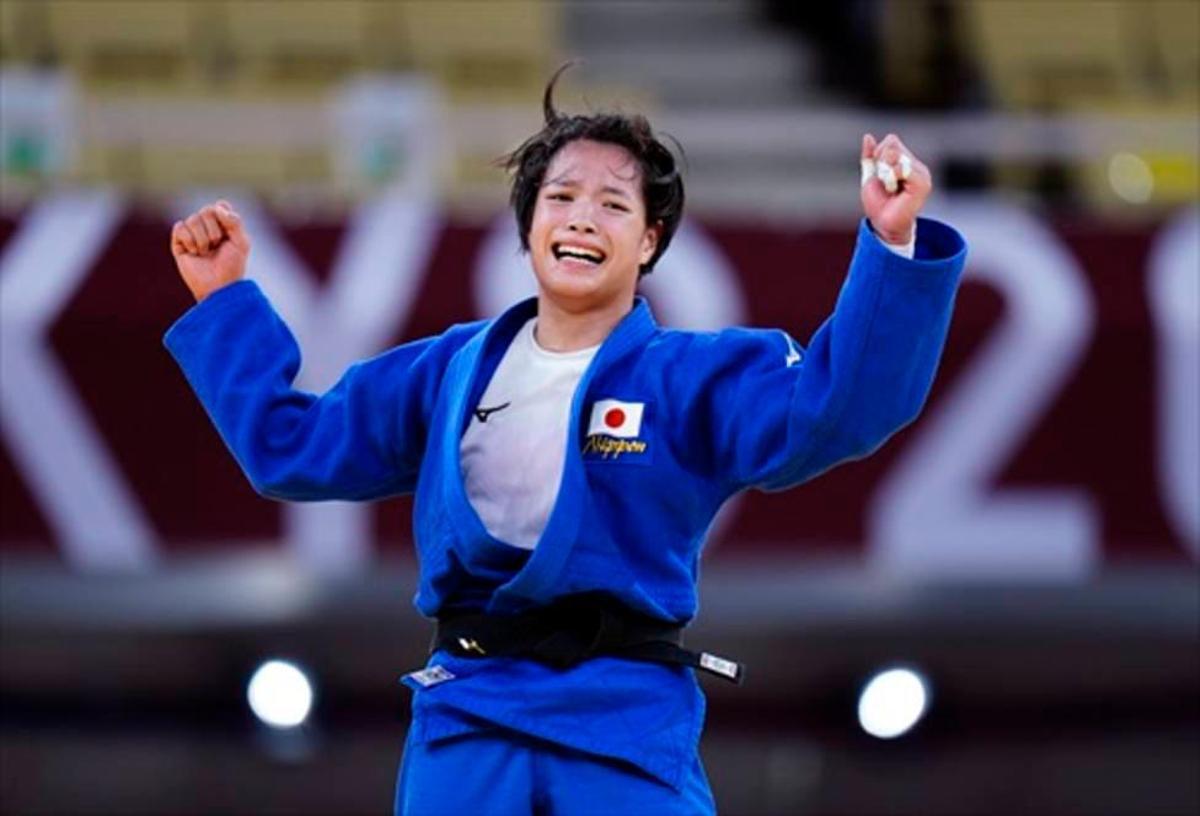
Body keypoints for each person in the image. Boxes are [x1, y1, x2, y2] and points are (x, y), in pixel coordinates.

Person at [165, 69, 967, 815]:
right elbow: (289, 445)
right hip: (468, 714)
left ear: (650, 242)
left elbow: (835, 412)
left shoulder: (689, 375)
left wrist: (891, 245)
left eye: (615, 205)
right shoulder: (451, 369)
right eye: (562, 196)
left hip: (624, 722)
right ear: (530, 225)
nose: (583, 216)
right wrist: (225, 300)